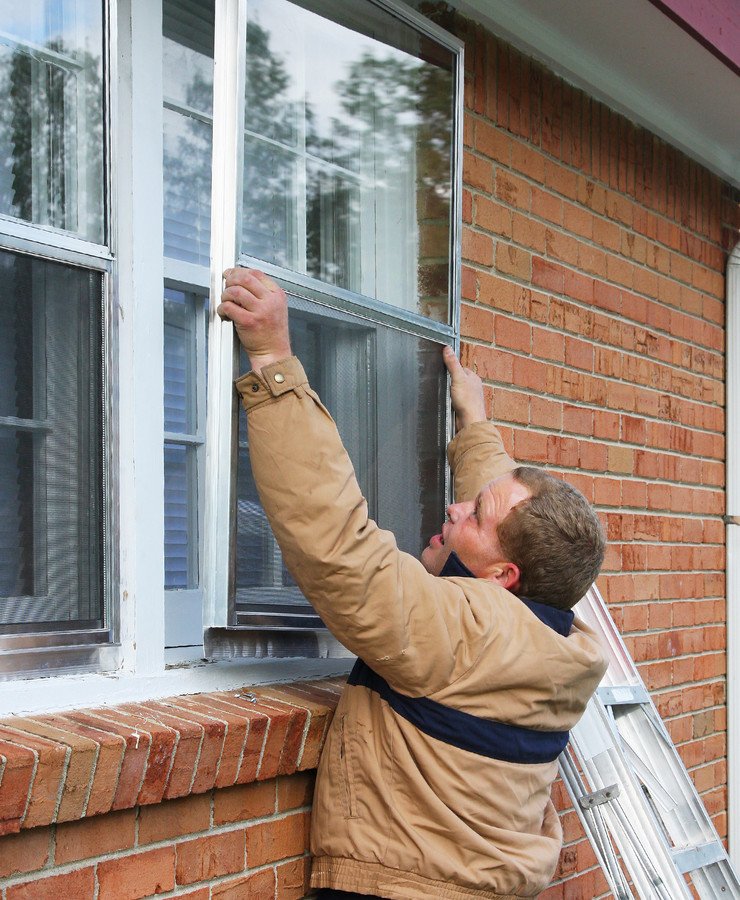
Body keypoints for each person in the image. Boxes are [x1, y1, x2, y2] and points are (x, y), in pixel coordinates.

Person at [219, 268, 608, 900]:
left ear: (502, 578)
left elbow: (340, 547)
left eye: (472, 517)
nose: (454, 511)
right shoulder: (561, 640)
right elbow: (512, 527)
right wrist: (474, 425)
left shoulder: (461, 635)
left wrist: (272, 362)